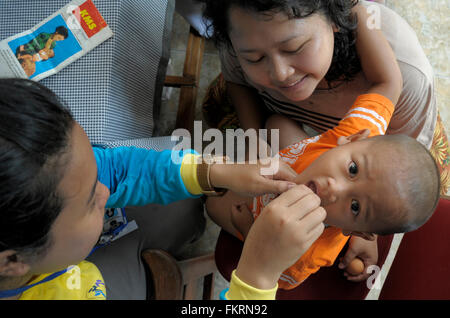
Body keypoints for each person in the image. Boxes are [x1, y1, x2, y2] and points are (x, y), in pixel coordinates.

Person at [0, 78, 325, 300]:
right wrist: (257, 276)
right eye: (88, 200)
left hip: (73, 259)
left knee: (184, 202)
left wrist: (213, 170)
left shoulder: (40, 171)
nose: (105, 190)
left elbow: (116, 168)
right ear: (11, 261)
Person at [206, 92, 441, 290]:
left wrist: (248, 229)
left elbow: (281, 277)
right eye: (352, 169)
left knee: (213, 205)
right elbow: (387, 83)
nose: (334, 188)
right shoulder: (358, 136)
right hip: (292, 156)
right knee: (276, 123)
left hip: (256, 215)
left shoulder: (309, 251)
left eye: (355, 206)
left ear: (355, 230)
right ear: (352, 140)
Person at [200, 0, 436, 150]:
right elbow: (237, 82)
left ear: (335, 18)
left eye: (294, 48)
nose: (281, 74)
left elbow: (403, 157)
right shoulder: (241, 32)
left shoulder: (406, 78)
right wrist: (254, 141)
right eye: (255, 59)